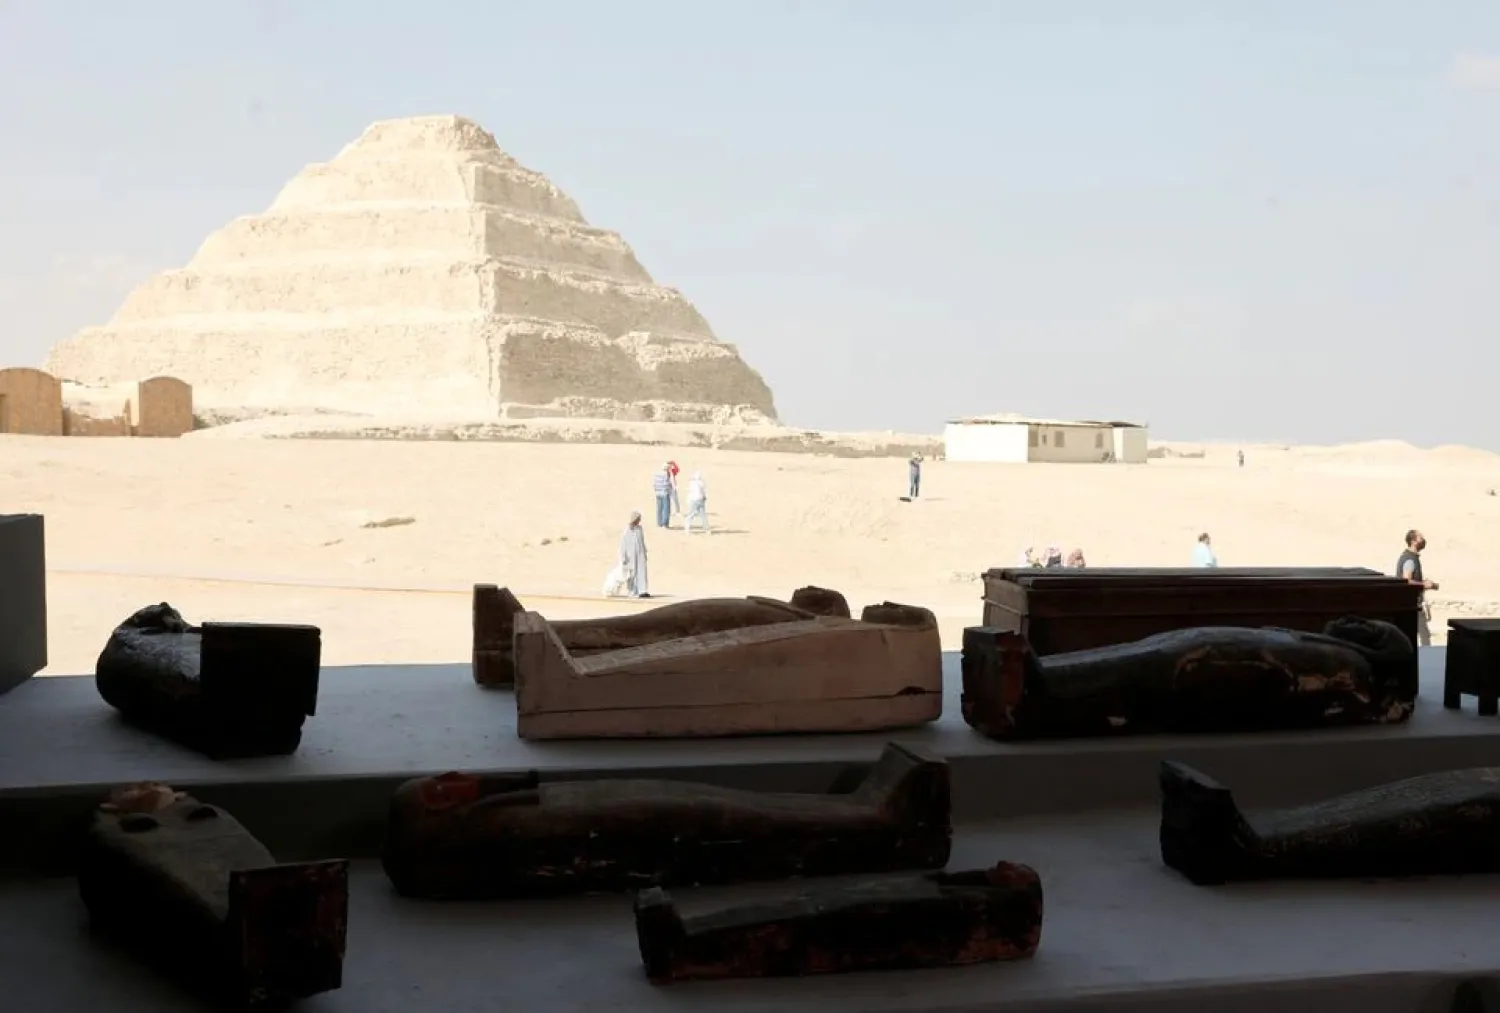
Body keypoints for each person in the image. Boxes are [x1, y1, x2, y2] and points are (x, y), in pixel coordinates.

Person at [1397, 529, 1437, 647]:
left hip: (1411, 604)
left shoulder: (1411, 557)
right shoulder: (1410, 559)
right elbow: (1406, 580)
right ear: (1413, 541)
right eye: (1420, 538)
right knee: (1421, 636)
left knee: (1420, 635)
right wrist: (1424, 584)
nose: (1423, 540)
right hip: (1411, 604)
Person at [619, 511, 650, 598]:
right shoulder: (627, 531)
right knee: (632, 573)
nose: (639, 520)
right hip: (630, 556)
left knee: (642, 572)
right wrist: (623, 557)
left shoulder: (639, 529)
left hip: (640, 554)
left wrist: (645, 551)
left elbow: (642, 541)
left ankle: (642, 590)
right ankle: (632, 591)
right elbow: (623, 545)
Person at [652, 464, 673, 529]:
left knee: (659, 509)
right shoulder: (666, 475)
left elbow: (654, 484)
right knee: (666, 509)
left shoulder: (657, 475)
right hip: (664, 493)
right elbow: (668, 485)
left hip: (658, 493)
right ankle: (665, 524)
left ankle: (659, 523)